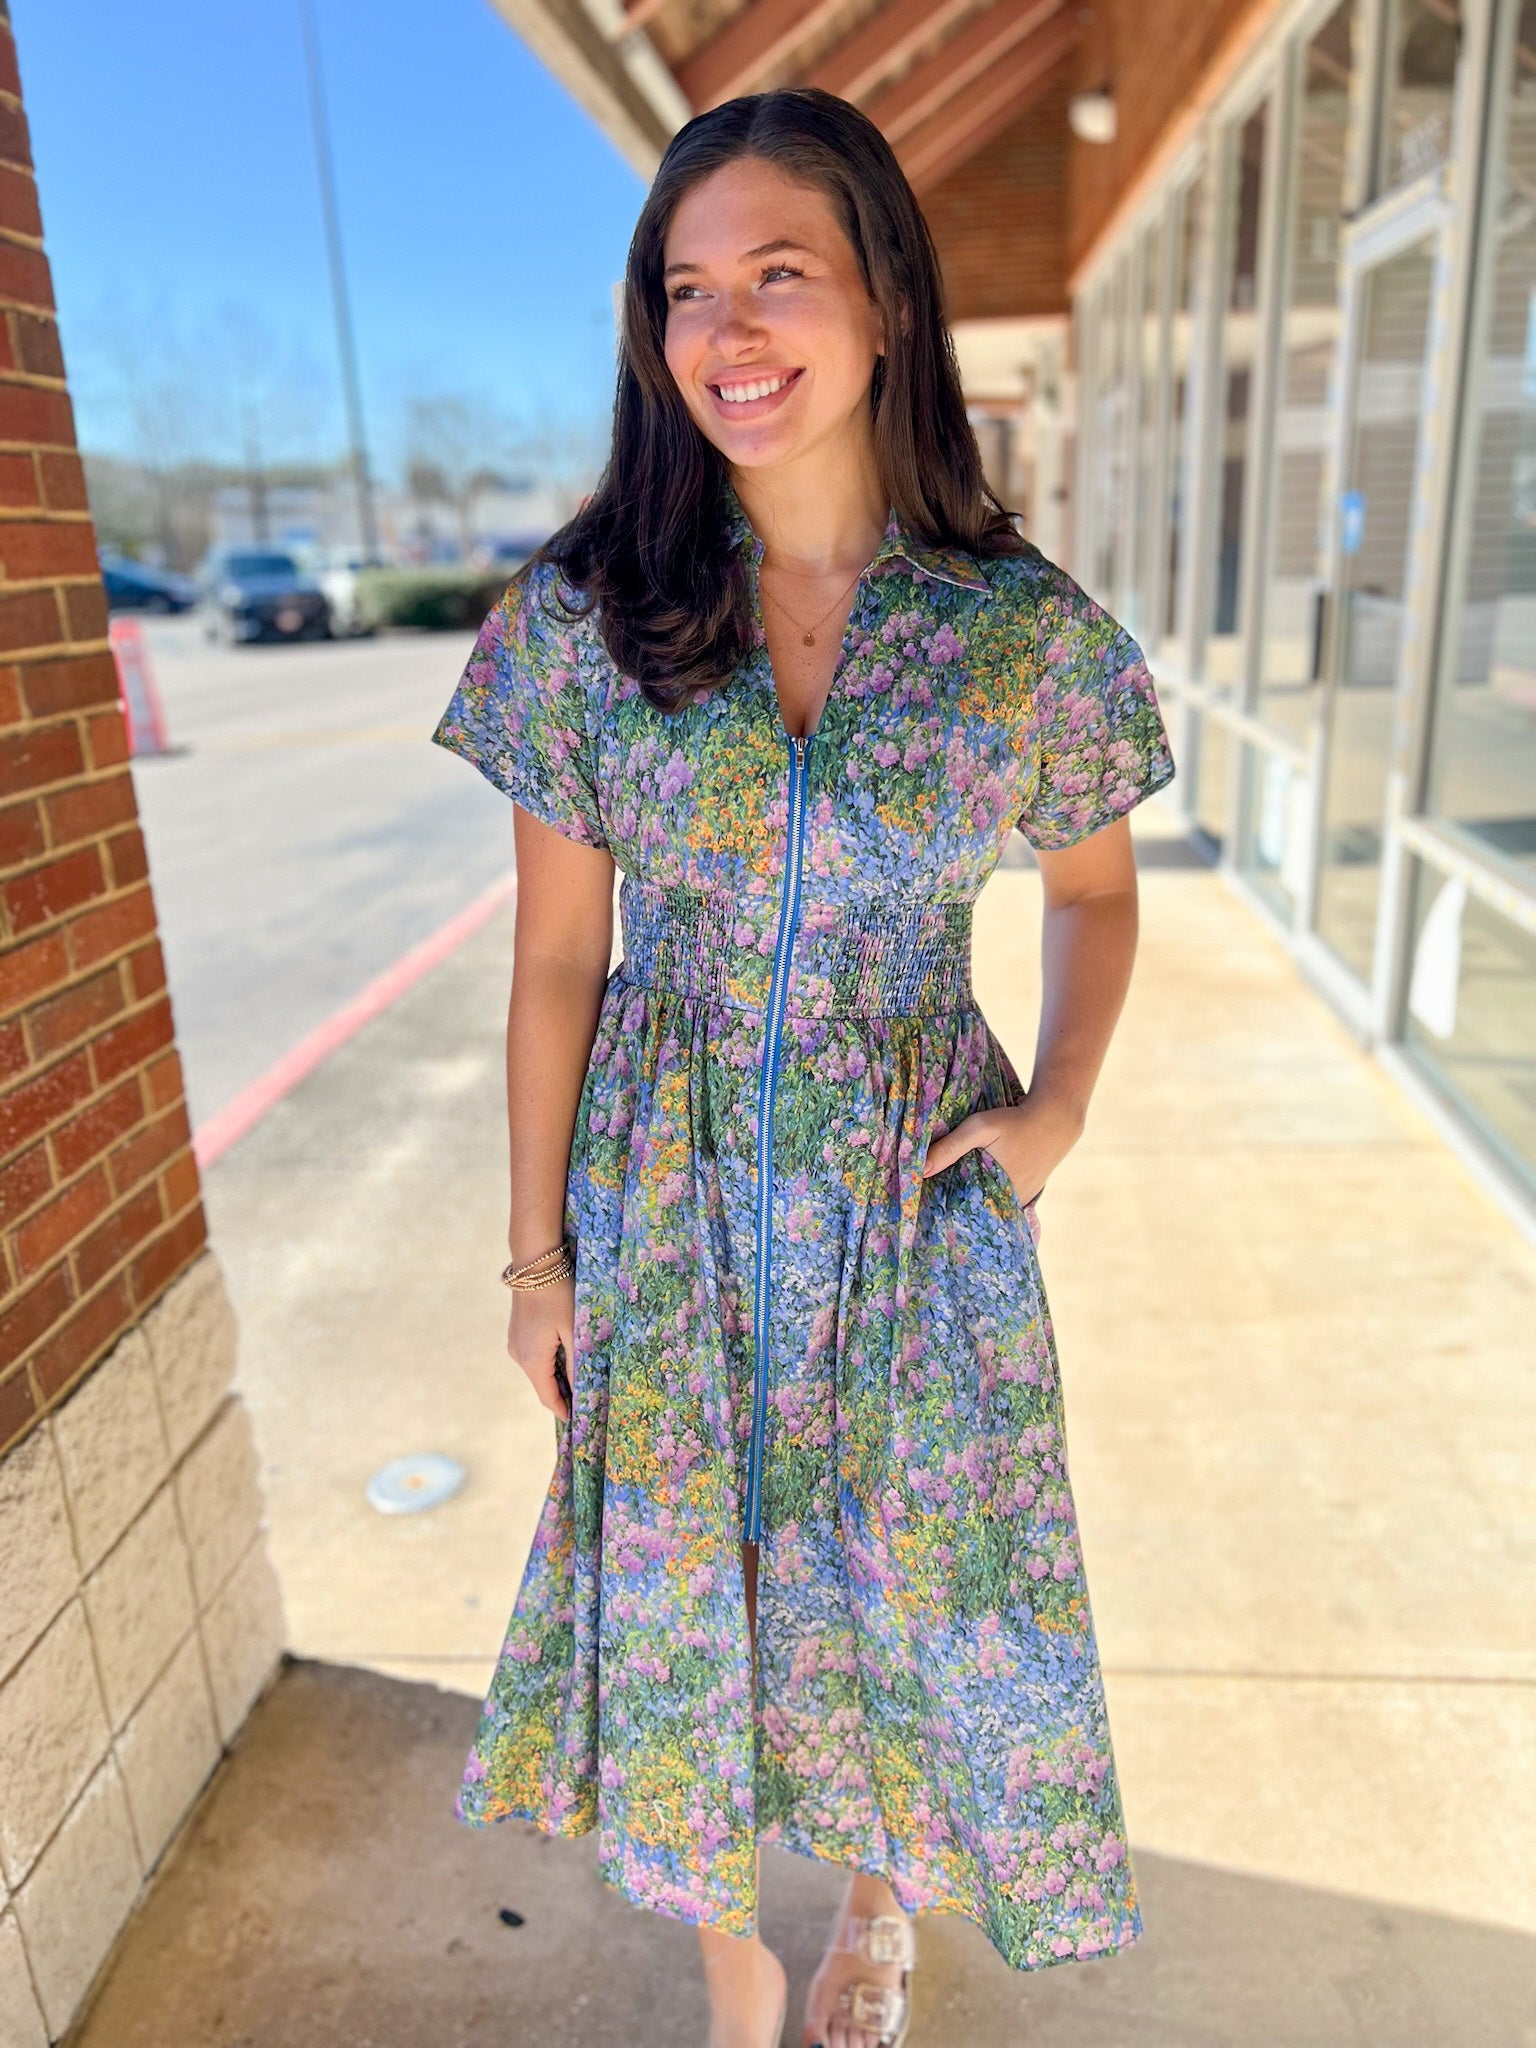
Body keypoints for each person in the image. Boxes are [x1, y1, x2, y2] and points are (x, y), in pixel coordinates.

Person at [431, 85, 1175, 2048]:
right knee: (700, 1630)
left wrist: (1061, 1109)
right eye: (688, 289)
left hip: (916, 1205)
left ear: (886, 309)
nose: (728, 332)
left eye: (780, 274)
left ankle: (876, 1908)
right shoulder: (588, 630)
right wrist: (536, 1264)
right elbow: (558, 961)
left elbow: (1096, 899)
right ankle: (742, 1996)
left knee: (906, 1586)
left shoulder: (1019, 639)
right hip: (665, 1217)